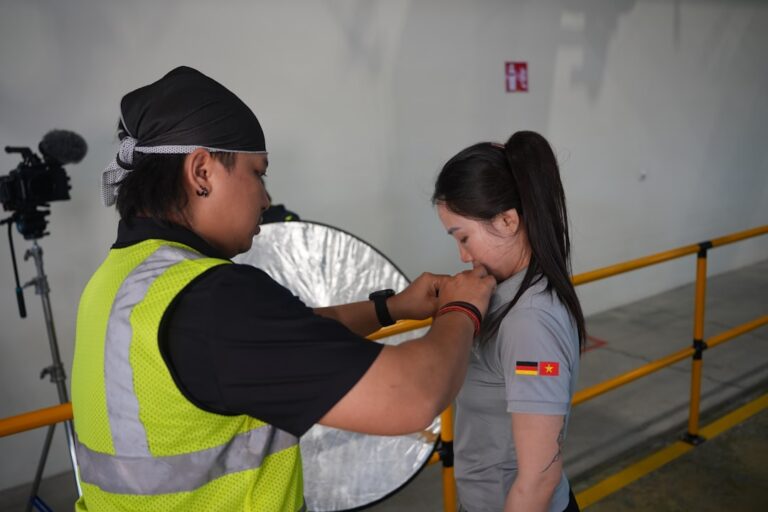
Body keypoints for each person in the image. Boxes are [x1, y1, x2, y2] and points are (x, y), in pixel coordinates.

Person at [71, 66, 495, 512]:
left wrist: (391, 308)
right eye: (258, 173)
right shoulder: (213, 301)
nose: (266, 198)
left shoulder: (119, 281)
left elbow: (288, 340)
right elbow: (413, 396)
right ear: (201, 172)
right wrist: (463, 308)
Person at [432, 131, 586, 512]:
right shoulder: (509, 291)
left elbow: (539, 478)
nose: (463, 255)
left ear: (507, 220)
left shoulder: (529, 323)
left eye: (464, 237)